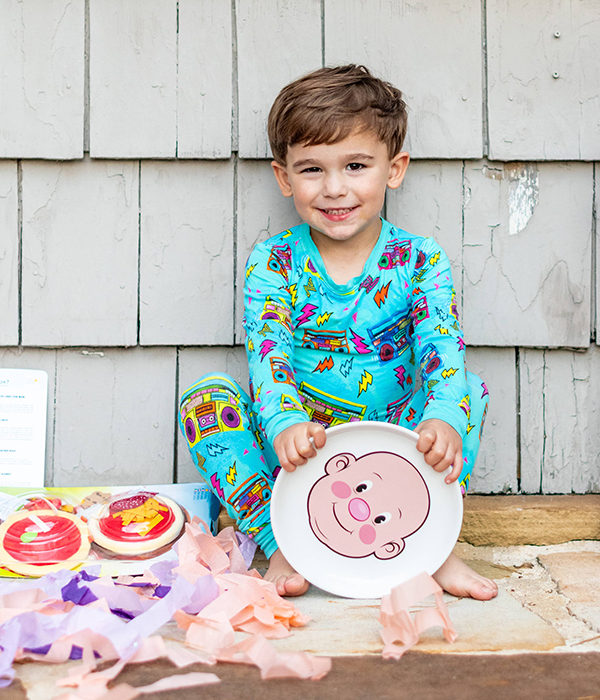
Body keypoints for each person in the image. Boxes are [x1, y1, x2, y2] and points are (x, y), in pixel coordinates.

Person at [179, 64, 497, 601]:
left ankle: (432, 547)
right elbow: (268, 351)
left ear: (394, 169)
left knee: (467, 391)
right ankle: (280, 541)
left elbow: (442, 347)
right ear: (284, 177)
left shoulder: (419, 260)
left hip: (398, 442)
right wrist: (283, 420)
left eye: (355, 165)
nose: (334, 189)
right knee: (204, 402)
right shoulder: (275, 261)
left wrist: (442, 414)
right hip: (298, 442)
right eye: (311, 170)